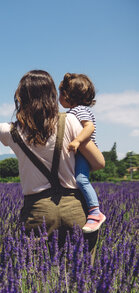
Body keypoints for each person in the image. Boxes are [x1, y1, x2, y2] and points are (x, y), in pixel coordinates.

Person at [0, 70, 105, 253]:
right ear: (52, 96)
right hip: (75, 209)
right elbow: (99, 162)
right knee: (81, 276)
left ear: (21, 97)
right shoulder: (70, 121)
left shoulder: (11, 131)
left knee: (37, 276)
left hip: (38, 212)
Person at [58, 73, 106, 233]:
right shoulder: (74, 111)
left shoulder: (79, 110)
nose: (59, 98)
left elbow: (89, 127)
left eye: (61, 94)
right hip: (79, 152)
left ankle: (95, 212)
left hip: (84, 152)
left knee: (81, 179)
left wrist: (77, 141)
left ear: (68, 95)